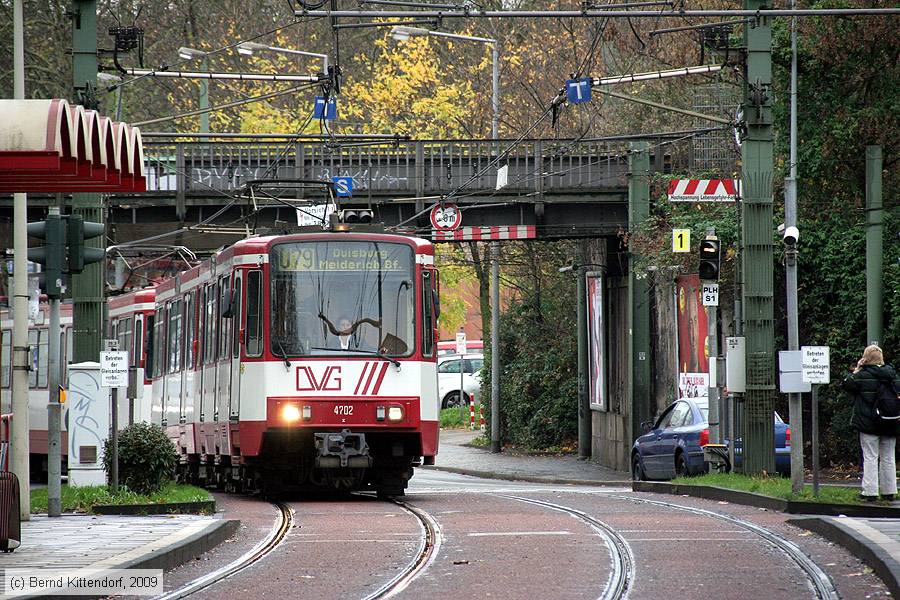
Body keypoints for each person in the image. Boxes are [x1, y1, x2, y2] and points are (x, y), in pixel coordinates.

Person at [842, 345, 900, 501]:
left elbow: (847, 384)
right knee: (888, 457)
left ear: (866, 358)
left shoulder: (862, 375)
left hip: (868, 422)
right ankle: (889, 492)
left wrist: (858, 368)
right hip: (890, 421)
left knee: (870, 457)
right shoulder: (892, 374)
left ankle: (870, 492)